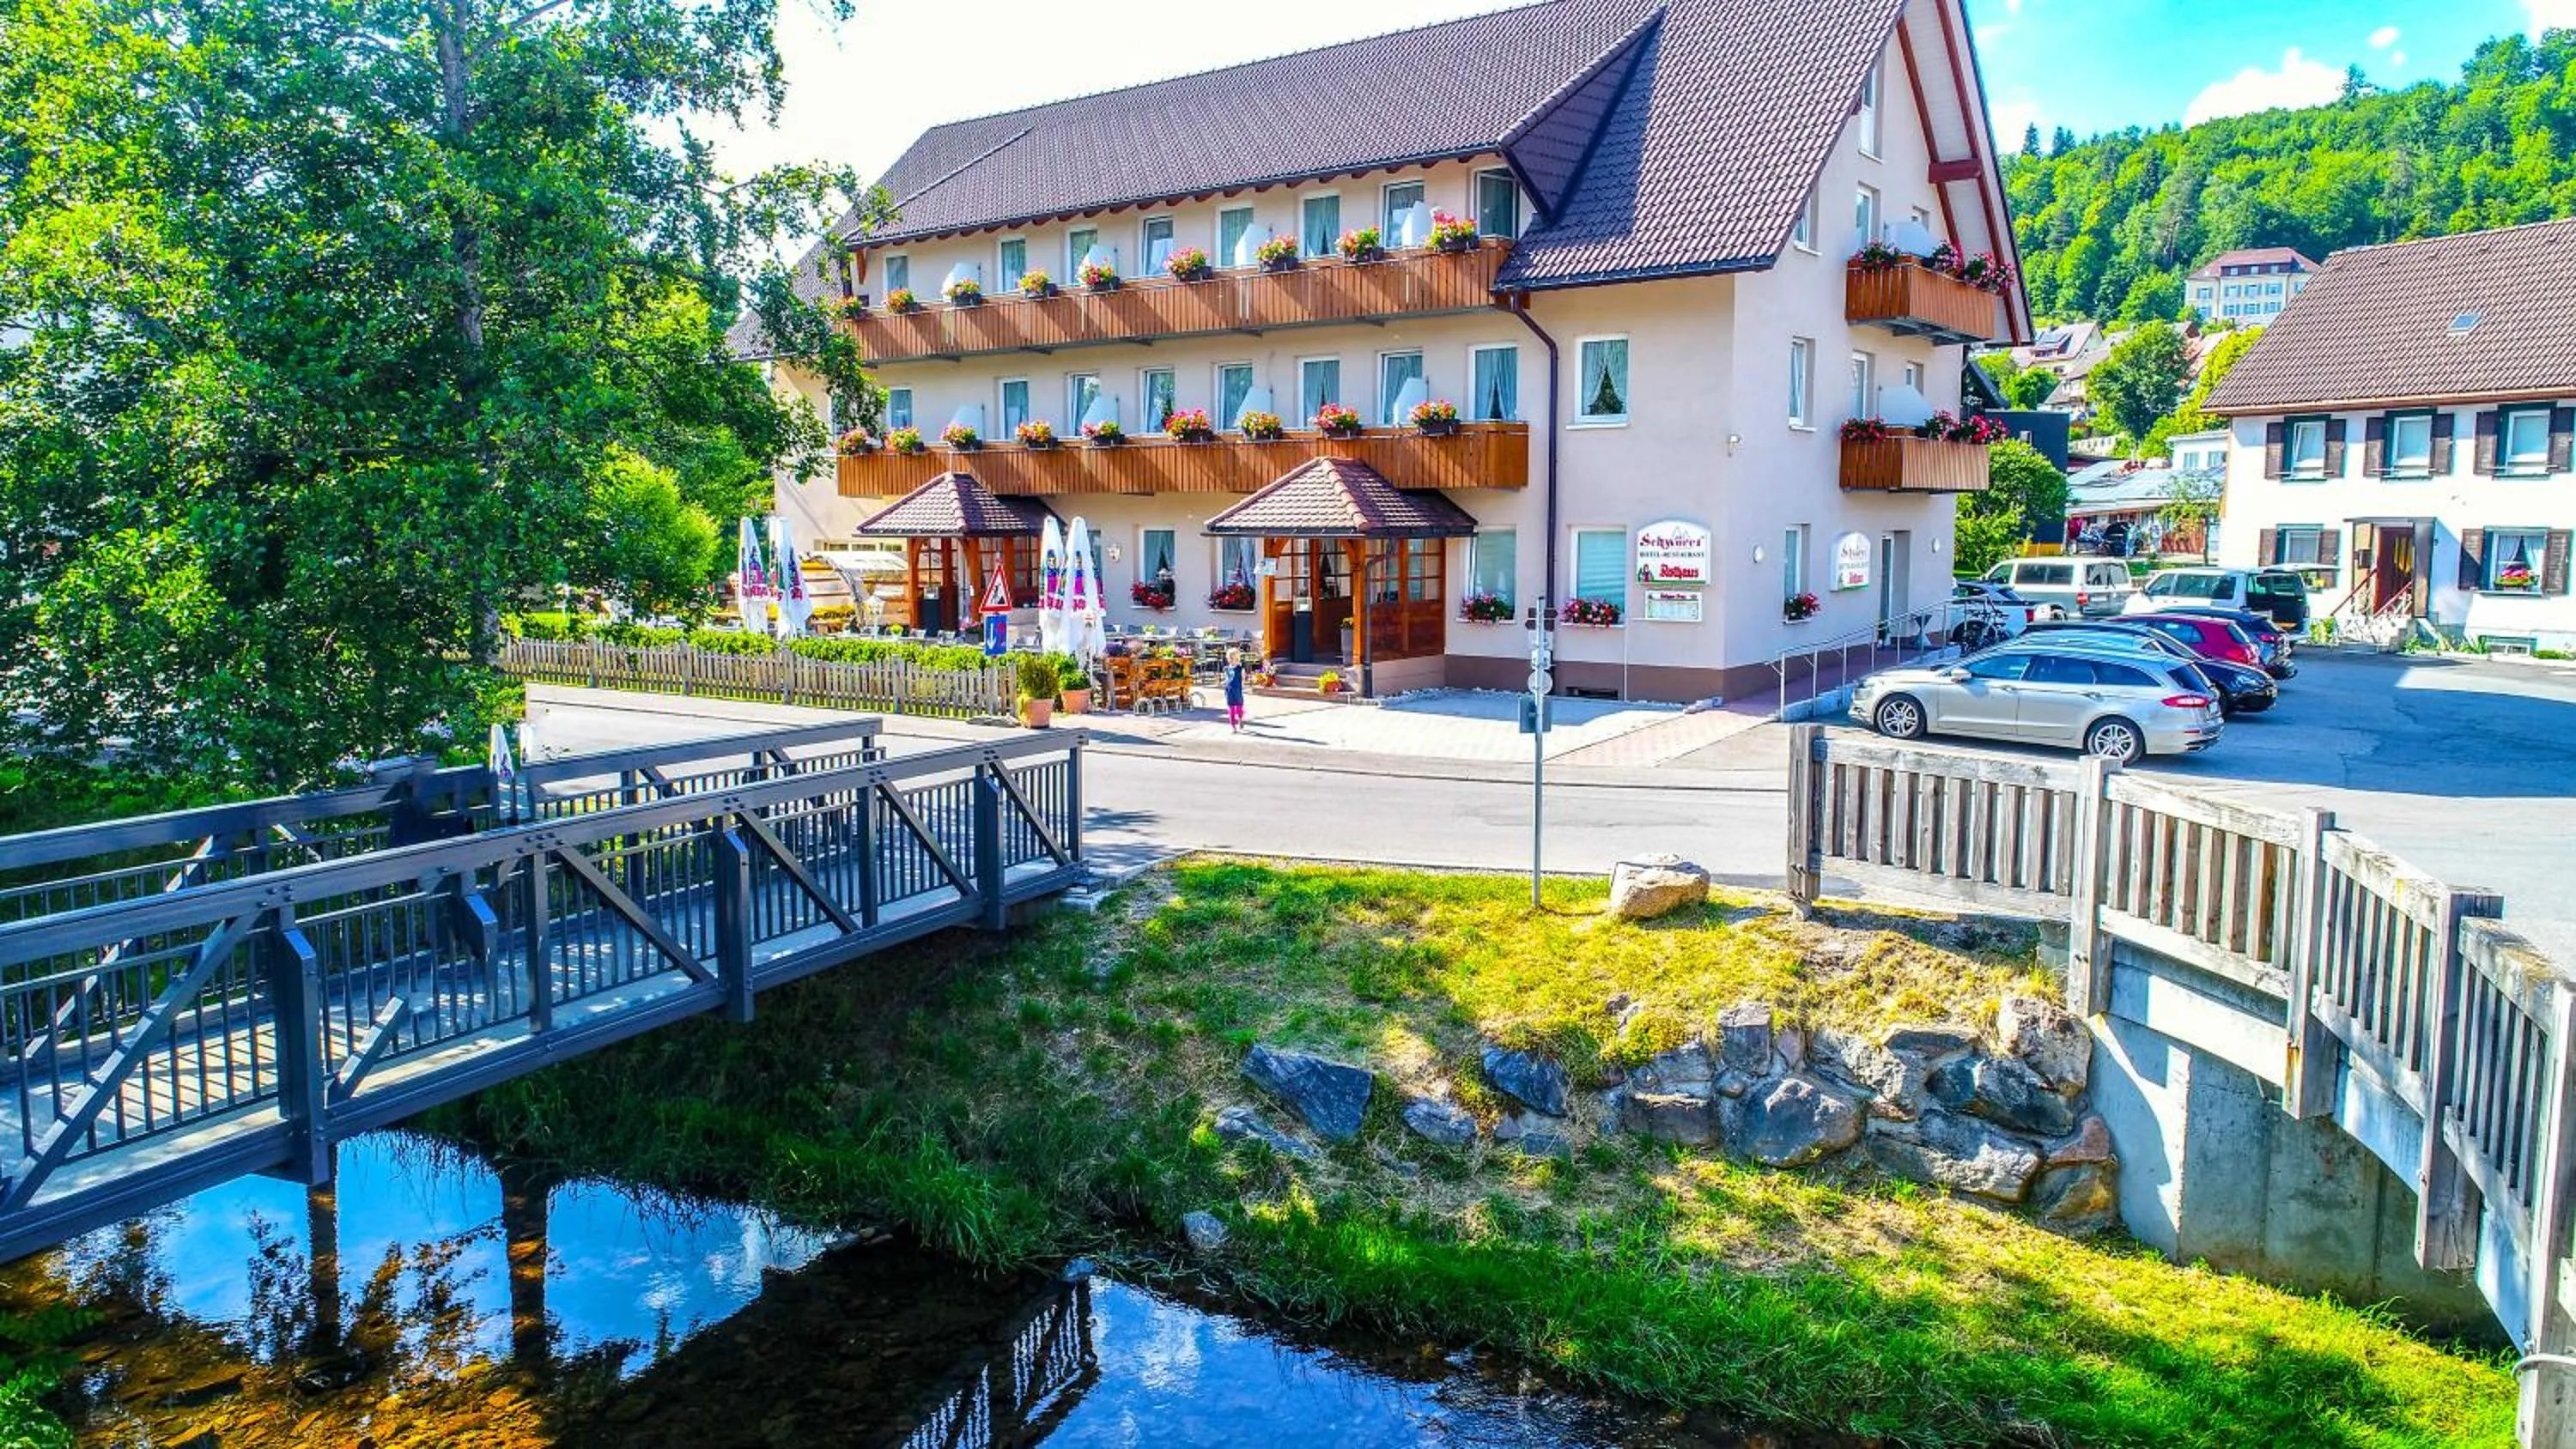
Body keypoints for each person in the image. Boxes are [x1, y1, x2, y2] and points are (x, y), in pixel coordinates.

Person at [1222, 648, 1247, 732]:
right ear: (1228, 659)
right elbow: (1226, 679)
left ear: (1238, 659)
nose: (1233, 660)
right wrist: (1224, 683)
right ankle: (1233, 726)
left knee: (1239, 708)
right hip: (1229, 691)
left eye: (1235, 658)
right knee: (1231, 709)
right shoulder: (1226, 669)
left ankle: (1240, 719)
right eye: (1231, 658)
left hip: (1238, 691)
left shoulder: (1240, 669)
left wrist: (1243, 685)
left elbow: (1243, 679)